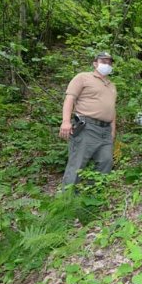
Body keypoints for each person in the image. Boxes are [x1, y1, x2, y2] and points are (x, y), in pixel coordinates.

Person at [59, 52, 117, 186]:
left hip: (105, 130)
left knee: (106, 161)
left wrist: (113, 131)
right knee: (77, 165)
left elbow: (112, 109)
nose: (106, 65)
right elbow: (70, 98)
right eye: (103, 61)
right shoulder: (83, 78)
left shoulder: (111, 85)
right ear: (95, 63)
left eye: (109, 62)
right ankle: (67, 200)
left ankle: (92, 195)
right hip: (87, 127)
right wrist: (66, 121)